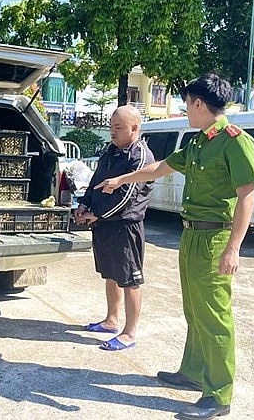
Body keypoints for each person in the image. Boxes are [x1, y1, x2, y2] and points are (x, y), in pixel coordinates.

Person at [96, 74, 254, 419]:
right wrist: (121, 179)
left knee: (215, 317)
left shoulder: (235, 141)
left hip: (215, 238)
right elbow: (161, 168)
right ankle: (194, 371)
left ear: (199, 103)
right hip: (190, 236)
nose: (185, 110)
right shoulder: (199, 143)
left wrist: (234, 248)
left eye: (187, 103)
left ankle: (219, 393)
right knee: (194, 311)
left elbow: (247, 197)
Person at [74, 105, 155, 351]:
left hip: (125, 228)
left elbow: (127, 197)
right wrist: (84, 205)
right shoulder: (110, 152)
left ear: (135, 128)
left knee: (130, 280)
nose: (113, 132)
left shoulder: (140, 156)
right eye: (111, 127)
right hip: (104, 225)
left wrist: (95, 214)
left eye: (118, 128)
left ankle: (129, 333)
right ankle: (111, 320)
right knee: (110, 275)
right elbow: (95, 182)